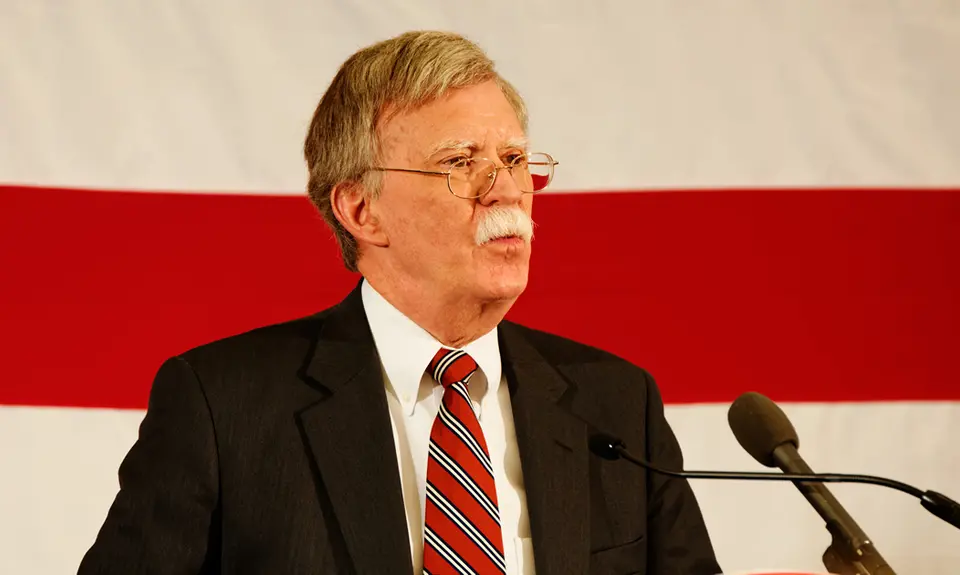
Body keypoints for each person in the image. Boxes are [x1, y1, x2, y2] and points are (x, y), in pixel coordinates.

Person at [78, 30, 721, 575]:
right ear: (362, 210)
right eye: (460, 162)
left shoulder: (615, 404)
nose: (506, 192)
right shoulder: (224, 405)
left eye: (516, 158)